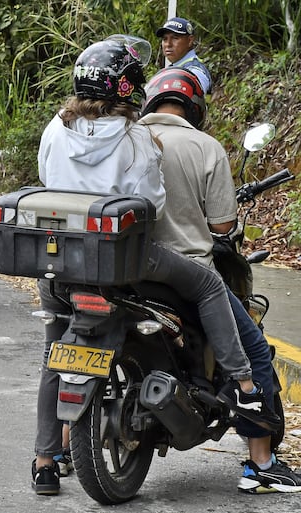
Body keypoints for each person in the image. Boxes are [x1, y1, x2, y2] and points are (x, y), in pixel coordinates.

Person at [31, 35, 279, 496]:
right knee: (206, 285)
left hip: (66, 263)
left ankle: (46, 460)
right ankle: (244, 383)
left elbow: (48, 182)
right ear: (127, 88)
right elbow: (152, 204)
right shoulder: (135, 137)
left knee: (54, 354)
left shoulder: (54, 129)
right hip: (129, 261)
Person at [139, 67, 301, 493]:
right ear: (194, 106)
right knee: (257, 353)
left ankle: (56, 452)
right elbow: (224, 223)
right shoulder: (205, 146)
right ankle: (261, 463)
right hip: (189, 270)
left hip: (127, 271)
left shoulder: (126, 138)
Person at [156, 16, 212, 93]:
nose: (168, 44)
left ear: (190, 41)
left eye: (175, 38)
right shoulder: (175, 68)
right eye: (165, 39)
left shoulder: (195, 72)